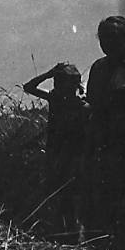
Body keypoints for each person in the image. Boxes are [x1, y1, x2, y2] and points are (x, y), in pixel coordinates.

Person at [84, 15, 125, 250]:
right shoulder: (99, 67)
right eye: (103, 37)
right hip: (104, 145)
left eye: (113, 36)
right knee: (104, 201)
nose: (107, 42)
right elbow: (93, 101)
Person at [22, 63, 89, 238]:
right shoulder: (63, 101)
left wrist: (48, 74)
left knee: (68, 199)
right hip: (58, 156)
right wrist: (49, 73)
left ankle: (72, 236)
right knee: (60, 198)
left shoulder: (80, 107)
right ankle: (66, 236)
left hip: (71, 158)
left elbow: (29, 87)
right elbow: (28, 87)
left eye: (59, 81)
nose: (56, 86)